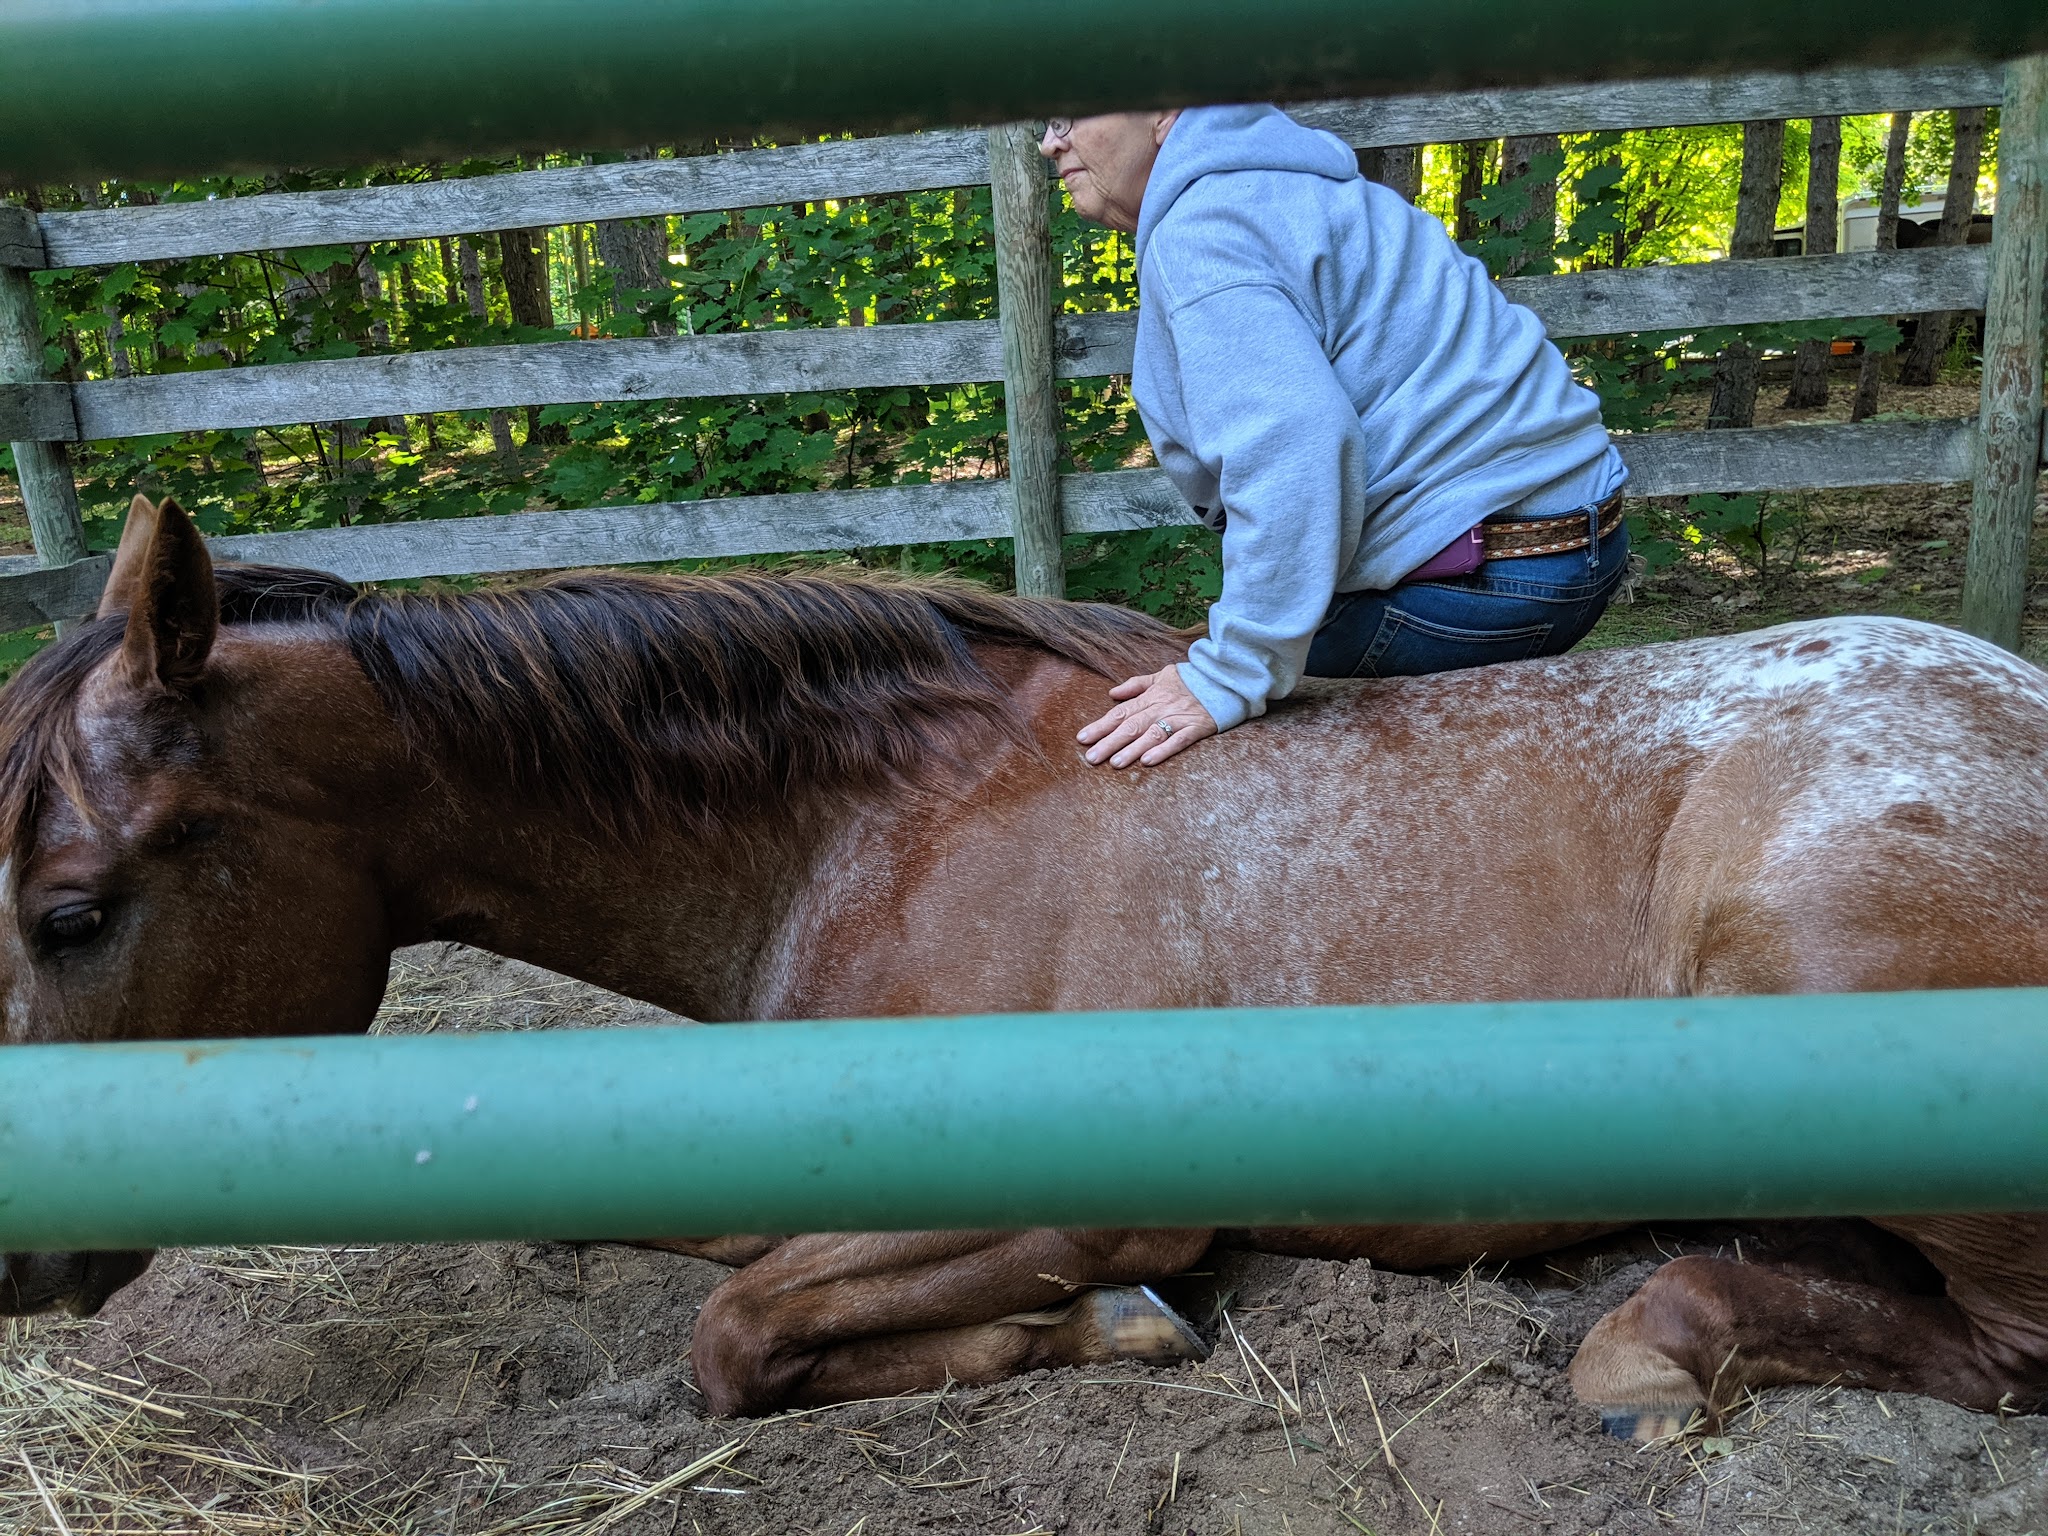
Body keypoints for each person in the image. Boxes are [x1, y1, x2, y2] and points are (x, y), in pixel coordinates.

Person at [1041, 108, 1630, 770]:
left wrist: (1233, 674)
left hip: (1492, 577)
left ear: (1163, 110)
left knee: (1146, 706)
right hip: (1575, 543)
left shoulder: (1204, 227)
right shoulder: (1279, 187)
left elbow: (1295, 447)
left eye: (1069, 110)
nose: (1047, 141)